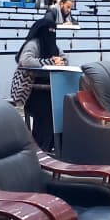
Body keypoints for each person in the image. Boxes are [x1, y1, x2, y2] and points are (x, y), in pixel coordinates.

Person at [11, 17, 66, 151]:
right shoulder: (33, 44)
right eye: (49, 30)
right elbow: (25, 61)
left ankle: (58, 145)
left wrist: (61, 61)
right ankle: (41, 148)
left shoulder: (54, 46)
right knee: (47, 110)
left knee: (63, 107)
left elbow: (64, 59)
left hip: (51, 89)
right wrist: (50, 62)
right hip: (32, 91)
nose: (51, 33)